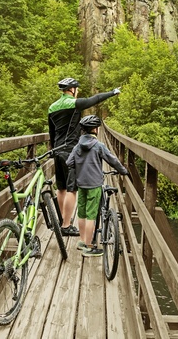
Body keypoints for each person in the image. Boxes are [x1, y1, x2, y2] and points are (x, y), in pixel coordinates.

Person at [48, 77, 121, 236]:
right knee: (71, 189)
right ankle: (66, 226)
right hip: (69, 151)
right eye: (76, 89)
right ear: (72, 89)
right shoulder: (73, 103)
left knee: (61, 187)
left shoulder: (52, 107)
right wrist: (113, 92)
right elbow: (94, 99)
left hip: (57, 150)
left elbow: (51, 132)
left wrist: (53, 149)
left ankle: (61, 221)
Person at [66, 115, 128, 257]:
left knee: (81, 213)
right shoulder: (98, 146)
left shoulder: (77, 146)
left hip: (81, 184)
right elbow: (112, 160)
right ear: (95, 129)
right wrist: (123, 171)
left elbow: (69, 162)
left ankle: (82, 241)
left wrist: (80, 165)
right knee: (91, 216)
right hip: (94, 185)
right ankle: (89, 247)